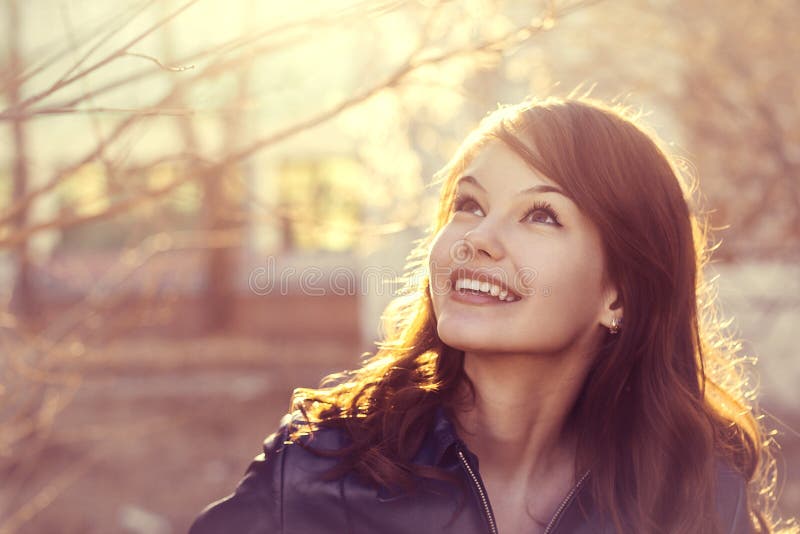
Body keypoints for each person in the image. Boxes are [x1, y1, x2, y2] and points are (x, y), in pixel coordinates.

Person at [188, 96, 791, 533]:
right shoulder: (317, 468)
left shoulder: (692, 496)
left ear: (620, 295)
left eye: (541, 216)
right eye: (470, 204)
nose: (478, 238)